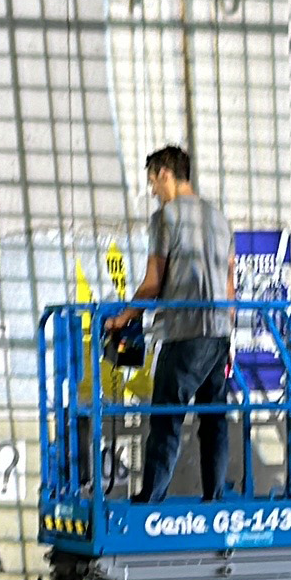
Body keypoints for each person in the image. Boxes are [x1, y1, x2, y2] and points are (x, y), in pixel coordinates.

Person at [103, 145, 235, 502]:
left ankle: (152, 496)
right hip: (220, 334)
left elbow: (152, 283)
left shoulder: (166, 218)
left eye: (152, 182)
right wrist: (229, 337)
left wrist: (122, 318)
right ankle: (215, 496)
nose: (153, 192)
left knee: (166, 416)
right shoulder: (220, 219)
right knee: (214, 418)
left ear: (165, 173)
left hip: (184, 333)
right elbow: (229, 283)